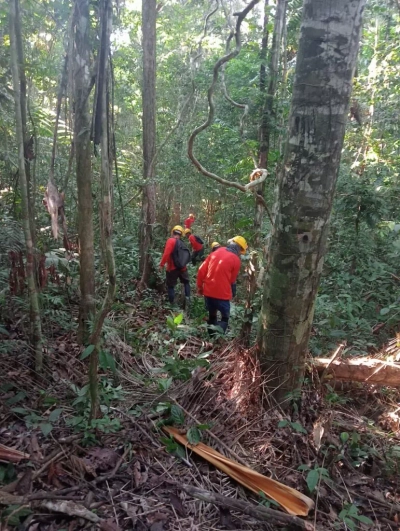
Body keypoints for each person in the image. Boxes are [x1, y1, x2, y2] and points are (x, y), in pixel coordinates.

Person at [197, 236, 248, 334]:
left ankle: (211, 337)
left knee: (212, 315)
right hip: (222, 295)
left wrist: (200, 287)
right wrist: (232, 292)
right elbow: (232, 280)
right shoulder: (236, 260)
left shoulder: (216, 252)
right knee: (225, 317)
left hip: (208, 292)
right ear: (239, 248)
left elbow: (201, 270)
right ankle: (219, 337)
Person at [159, 225, 190, 305]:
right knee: (186, 283)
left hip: (172, 268)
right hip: (183, 268)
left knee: (171, 286)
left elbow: (166, 254)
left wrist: (161, 265)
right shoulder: (182, 243)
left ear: (172, 232)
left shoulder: (171, 241)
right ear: (181, 235)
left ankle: (172, 305)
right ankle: (188, 301)